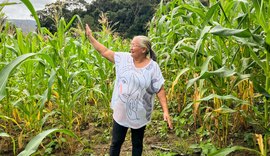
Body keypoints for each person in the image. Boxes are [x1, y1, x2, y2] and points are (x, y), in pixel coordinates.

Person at [85, 24, 173, 156]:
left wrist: (165, 111)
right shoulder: (123, 59)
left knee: (137, 144)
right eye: (131, 44)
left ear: (143, 49)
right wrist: (90, 37)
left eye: (134, 45)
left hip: (140, 112)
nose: (130, 47)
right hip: (121, 110)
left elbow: (159, 89)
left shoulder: (153, 67)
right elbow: (104, 51)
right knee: (116, 142)